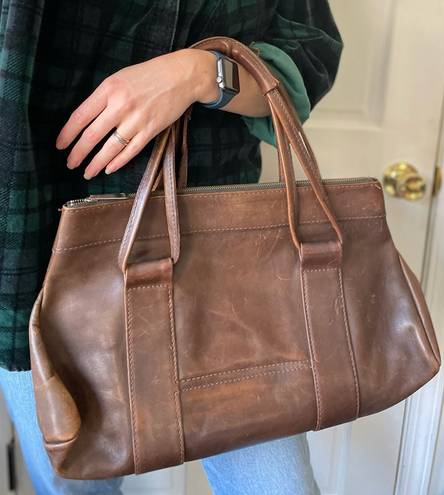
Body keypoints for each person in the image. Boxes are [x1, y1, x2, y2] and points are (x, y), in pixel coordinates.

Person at [0, 1, 342, 493]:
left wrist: (202, 73)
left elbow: (309, 59)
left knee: (280, 485)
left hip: (218, 269)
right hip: (36, 260)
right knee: (76, 487)